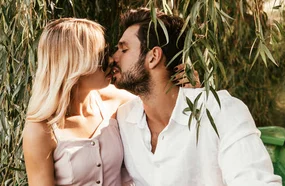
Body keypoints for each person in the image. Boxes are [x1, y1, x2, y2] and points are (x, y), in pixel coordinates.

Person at [111, 8, 283, 186]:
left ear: (153, 57)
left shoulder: (221, 112)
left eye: (123, 50)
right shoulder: (124, 118)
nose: (112, 59)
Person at [22, 18, 199, 185]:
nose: (111, 60)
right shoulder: (40, 130)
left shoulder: (117, 103)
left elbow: (160, 102)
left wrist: (186, 90)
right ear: (74, 64)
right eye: (100, 56)